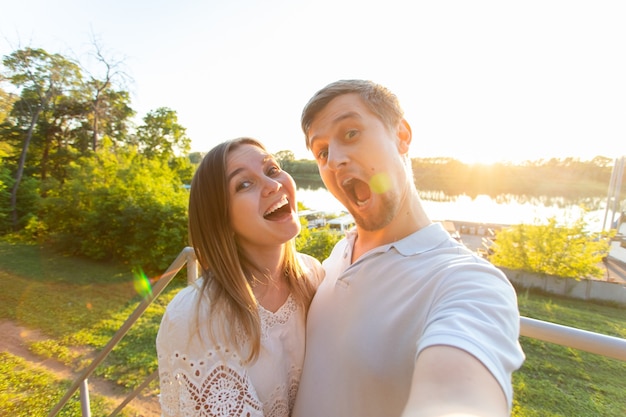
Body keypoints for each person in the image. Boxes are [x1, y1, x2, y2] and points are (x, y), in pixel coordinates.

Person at [292, 80, 525, 417]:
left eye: (351, 133)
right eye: (322, 151)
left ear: (401, 136)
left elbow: (458, 399)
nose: (335, 160)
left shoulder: (468, 283)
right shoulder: (334, 259)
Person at [156, 137, 324, 417]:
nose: (273, 185)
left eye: (271, 170)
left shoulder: (315, 276)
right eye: (244, 184)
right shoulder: (195, 318)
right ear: (221, 218)